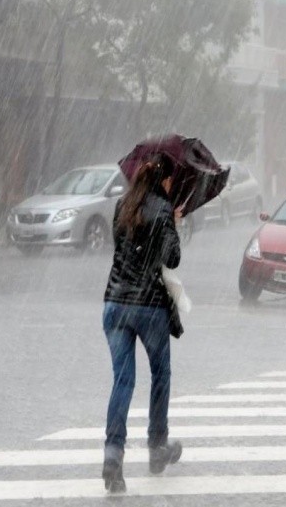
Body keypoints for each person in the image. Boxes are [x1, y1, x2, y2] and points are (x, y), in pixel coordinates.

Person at [101, 151, 183, 493]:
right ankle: (156, 447)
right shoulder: (163, 210)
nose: (173, 186)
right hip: (149, 307)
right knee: (160, 374)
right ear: (164, 180)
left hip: (115, 304)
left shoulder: (123, 206)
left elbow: (120, 247)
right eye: (172, 180)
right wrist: (174, 227)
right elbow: (171, 259)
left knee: (123, 380)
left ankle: (113, 454)